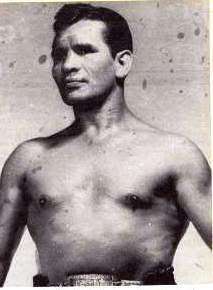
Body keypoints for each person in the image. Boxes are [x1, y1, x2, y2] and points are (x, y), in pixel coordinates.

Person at [0, 3, 211, 287]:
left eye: (85, 50)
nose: (68, 65)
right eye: (59, 56)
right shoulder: (27, 159)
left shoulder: (175, 154)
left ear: (121, 63)